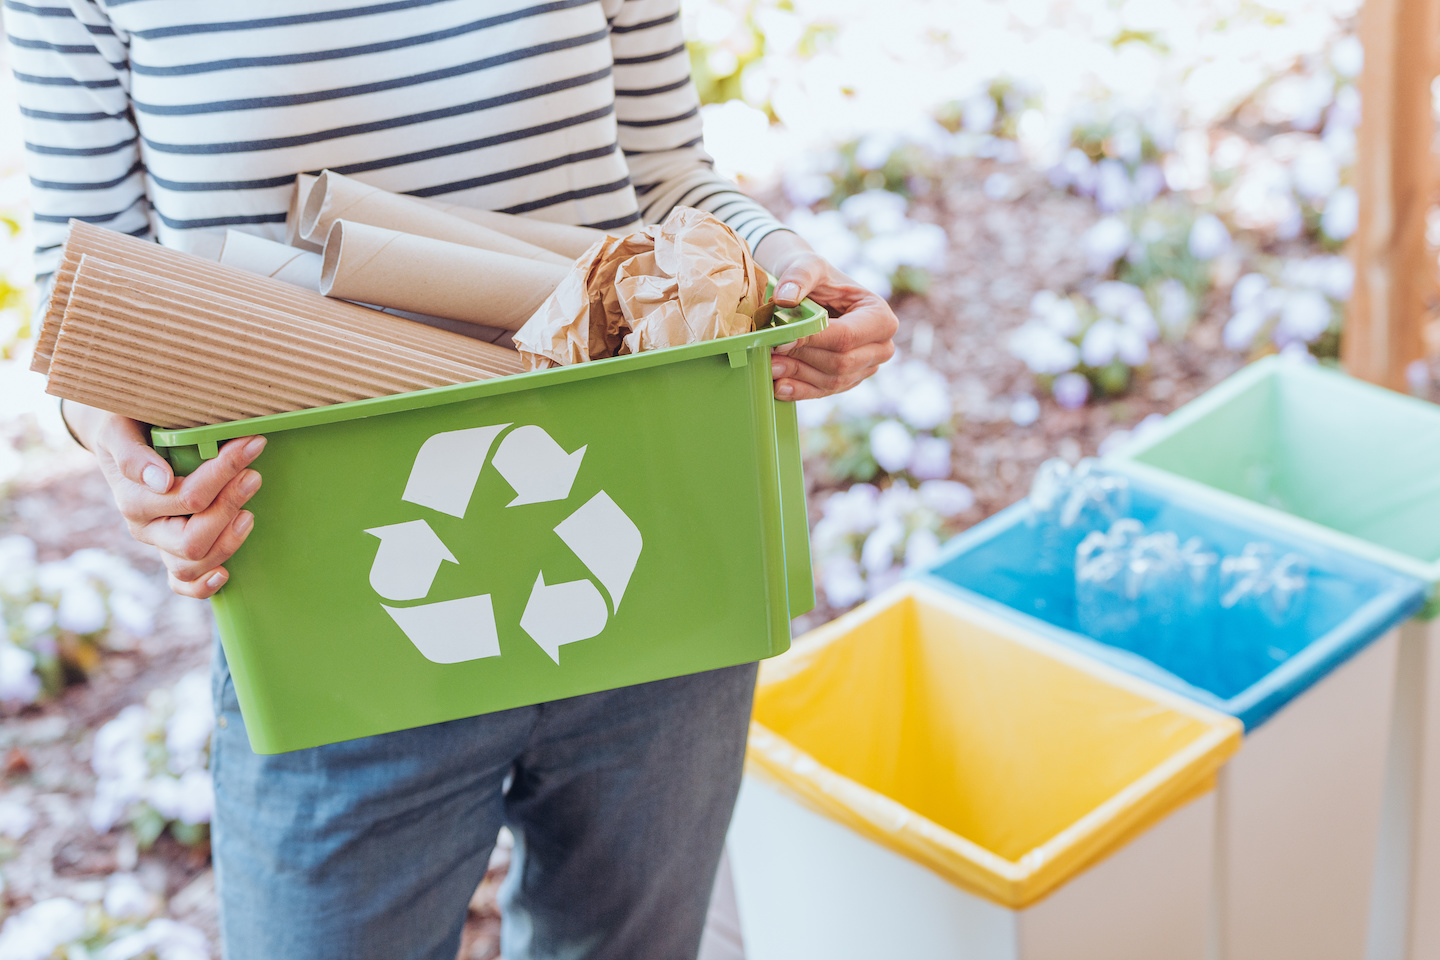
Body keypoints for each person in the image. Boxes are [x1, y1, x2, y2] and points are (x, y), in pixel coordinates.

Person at [8, 2, 897, 957]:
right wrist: (121, 452)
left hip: (646, 538)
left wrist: (785, 267)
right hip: (325, 594)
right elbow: (85, 278)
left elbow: (665, 175)